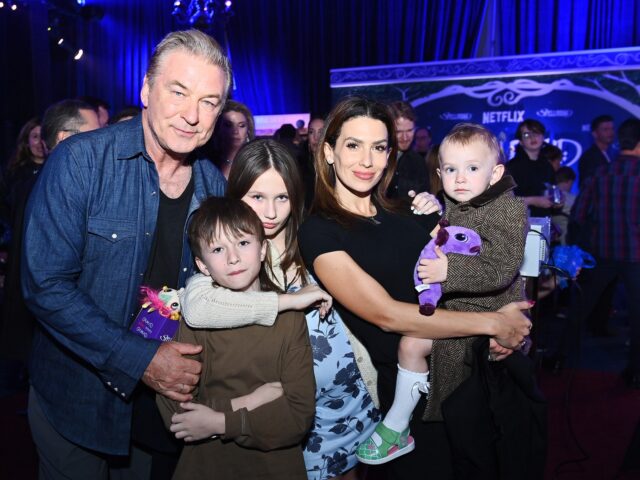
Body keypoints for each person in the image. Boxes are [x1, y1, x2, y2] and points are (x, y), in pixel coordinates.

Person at [21, 29, 228, 479]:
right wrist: (143, 360)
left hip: (162, 412)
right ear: (146, 89)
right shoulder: (80, 161)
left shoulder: (214, 187)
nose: (192, 115)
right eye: (178, 91)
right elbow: (45, 287)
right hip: (78, 403)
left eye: (209, 101)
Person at [298, 97, 533, 479]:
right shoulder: (319, 230)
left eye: (378, 147)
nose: (367, 161)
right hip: (410, 400)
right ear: (328, 151)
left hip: (470, 374)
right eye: (353, 145)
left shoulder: (408, 209)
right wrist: (492, 324)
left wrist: (509, 324)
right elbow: (387, 316)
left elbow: (473, 264)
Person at [176, 139, 383, 480]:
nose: (270, 213)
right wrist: (286, 300)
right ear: (237, 196)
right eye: (257, 197)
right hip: (286, 425)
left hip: (354, 409)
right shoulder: (232, 261)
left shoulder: (317, 241)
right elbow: (196, 305)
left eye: (282, 197)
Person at [356, 122, 529, 465]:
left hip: (488, 319)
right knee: (412, 347)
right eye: (451, 169)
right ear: (439, 172)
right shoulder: (456, 204)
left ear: (495, 173)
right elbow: (447, 235)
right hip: (461, 315)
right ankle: (398, 424)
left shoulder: (509, 209)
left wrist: (449, 271)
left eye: (472, 168)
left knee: (476, 426)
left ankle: (398, 425)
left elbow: (501, 269)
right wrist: (430, 206)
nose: (460, 178)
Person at [156, 196, 316, 479]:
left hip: (274, 468)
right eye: (218, 249)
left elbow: (298, 415)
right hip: (207, 467)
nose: (233, 257)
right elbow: (178, 416)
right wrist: (247, 405)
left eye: (243, 243)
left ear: (263, 249)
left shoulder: (289, 319)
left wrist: (217, 421)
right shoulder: (196, 319)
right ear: (202, 266)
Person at [1, 100, 99, 373]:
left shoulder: (57, 180)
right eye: (95, 132)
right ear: (65, 139)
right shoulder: (49, 186)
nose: (105, 139)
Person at [567, 118, 640, 388]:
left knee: (581, 307)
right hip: (636, 255)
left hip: (604, 251)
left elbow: (579, 214)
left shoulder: (601, 173)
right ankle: (634, 371)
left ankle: (560, 357)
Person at [506, 119, 556, 217]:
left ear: (543, 136)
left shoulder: (547, 166)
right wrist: (533, 200)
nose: (532, 137)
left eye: (536, 133)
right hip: (518, 223)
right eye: (526, 135)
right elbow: (504, 202)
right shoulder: (512, 166)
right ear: (520, 141)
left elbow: (552, 193)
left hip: (543, 221)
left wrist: (557, 201)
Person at [386, 101, 430, 199]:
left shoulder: (418, 161)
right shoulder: (377, 157)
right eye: (399, 132)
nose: (405, 137)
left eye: (409, 130)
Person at [209, 99, 255, 178]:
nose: (235, 131)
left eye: (241, 126)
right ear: (218, 128)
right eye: (228, 125)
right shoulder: (205, 163)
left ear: (248, 131)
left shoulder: (257, 163)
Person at [578, 114, 615, 188]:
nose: (610, 132)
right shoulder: (589, 157)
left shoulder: (613, 154)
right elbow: (587, 186)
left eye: (612, 129)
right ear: (595, 134)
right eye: (605, 129)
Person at [552, 166, 576, 245]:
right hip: (565, 241)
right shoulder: (571, 199)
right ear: (569, 182)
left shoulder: (546, 194)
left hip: (549, 238)